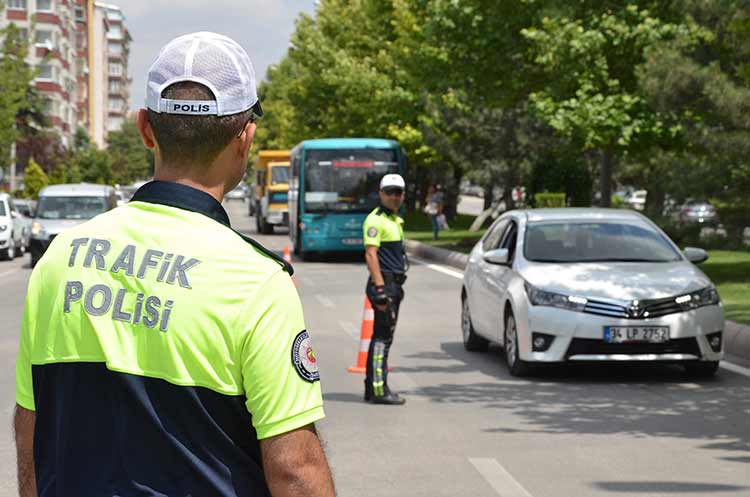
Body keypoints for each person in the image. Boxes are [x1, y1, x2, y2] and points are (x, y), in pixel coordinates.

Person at [14, 32, 335, 497]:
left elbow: (31, 430)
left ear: (145, 128)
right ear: (246, 138)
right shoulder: (255, 282)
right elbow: (295, 473)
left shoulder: (59, 258)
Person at [362, 174, 408, 405]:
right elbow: (371, 254)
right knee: (382, 339)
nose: (394, 196)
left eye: (398, 192)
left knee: (381, 337)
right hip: (385, 285)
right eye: (389, 192)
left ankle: (373, 387)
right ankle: (379, 390)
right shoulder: (376, 220)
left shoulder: (395, 220)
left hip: (394, 284)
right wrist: (380, 288)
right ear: (381, 194)